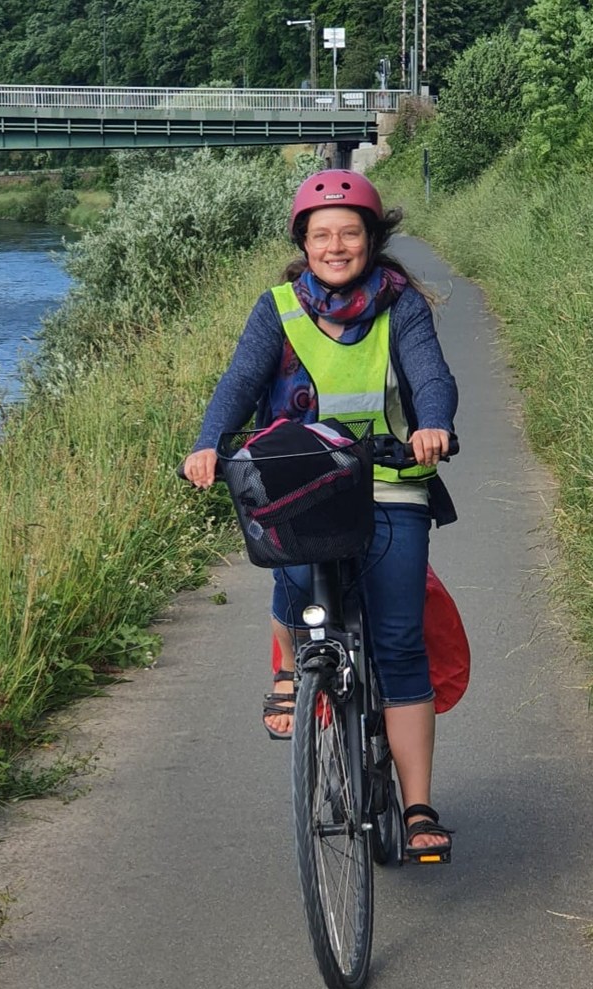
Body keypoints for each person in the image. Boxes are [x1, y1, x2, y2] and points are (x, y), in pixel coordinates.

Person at [183, 169, 459, 861]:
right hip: (301, 480)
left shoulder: (401, 305)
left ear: (372, 238)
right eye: (321, 235)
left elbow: (431, 374)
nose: (336, 246)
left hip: (391, 479)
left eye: (350, 233)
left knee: (397, 641)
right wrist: (207, 443)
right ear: (303, 244)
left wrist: (434, 424)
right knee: (296, 580)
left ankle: (418, 805)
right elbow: (241, 381)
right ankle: (291, 669)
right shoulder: (276, 307)